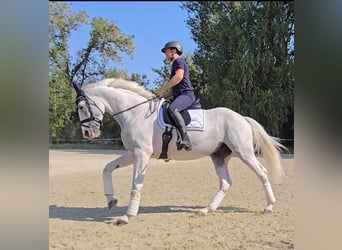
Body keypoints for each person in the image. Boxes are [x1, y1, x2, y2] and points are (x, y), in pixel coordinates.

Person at [156, 41, 196, 151]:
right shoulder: (175, 63)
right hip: (179, 94)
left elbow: (178, 77)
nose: (165, 54)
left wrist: (161, 89)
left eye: (166, 51)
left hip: (187, 95)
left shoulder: (178, 61)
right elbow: (174, 91)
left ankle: (185, 139)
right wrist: (162, 96)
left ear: (174, 51)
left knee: (173, 109)